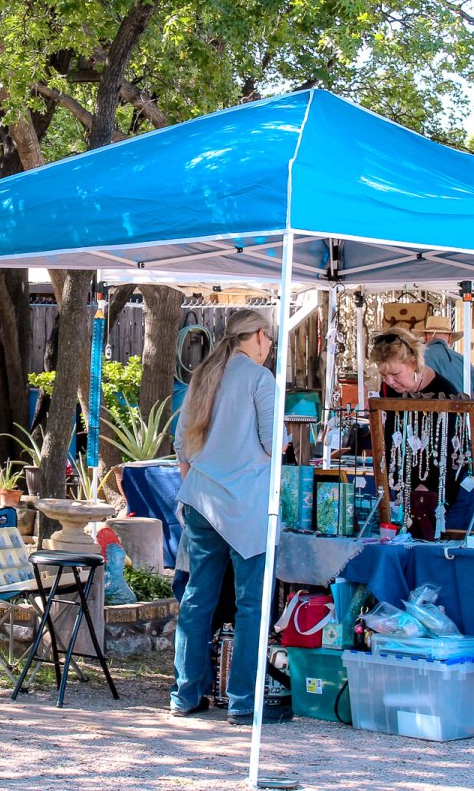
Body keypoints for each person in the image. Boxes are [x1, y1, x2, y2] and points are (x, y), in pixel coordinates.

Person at [169, 308, 277, 727]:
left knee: (197, 599)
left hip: (201, 497)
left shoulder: (204, 376)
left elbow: (181, 444)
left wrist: (197, 480)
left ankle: (185, 694)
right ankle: (243, 702)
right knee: (251, 606)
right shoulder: (259, 378)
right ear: (260, 337)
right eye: (269, 340)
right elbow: (272, 443)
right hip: (244, 503)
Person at [369, 327, 468, 540]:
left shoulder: (445, 394)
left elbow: (451, 456)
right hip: (404, 489)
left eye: (395, 374)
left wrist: (424, 491)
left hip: (440, 494)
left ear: (414, 363)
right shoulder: (391, 390)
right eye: (383, 375)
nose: (389, 381)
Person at [420, 315, 474, 404]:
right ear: (450, 338)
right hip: (459, 414)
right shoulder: (463, 362)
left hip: (424, 414)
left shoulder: (415, 359)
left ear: (425, 337)